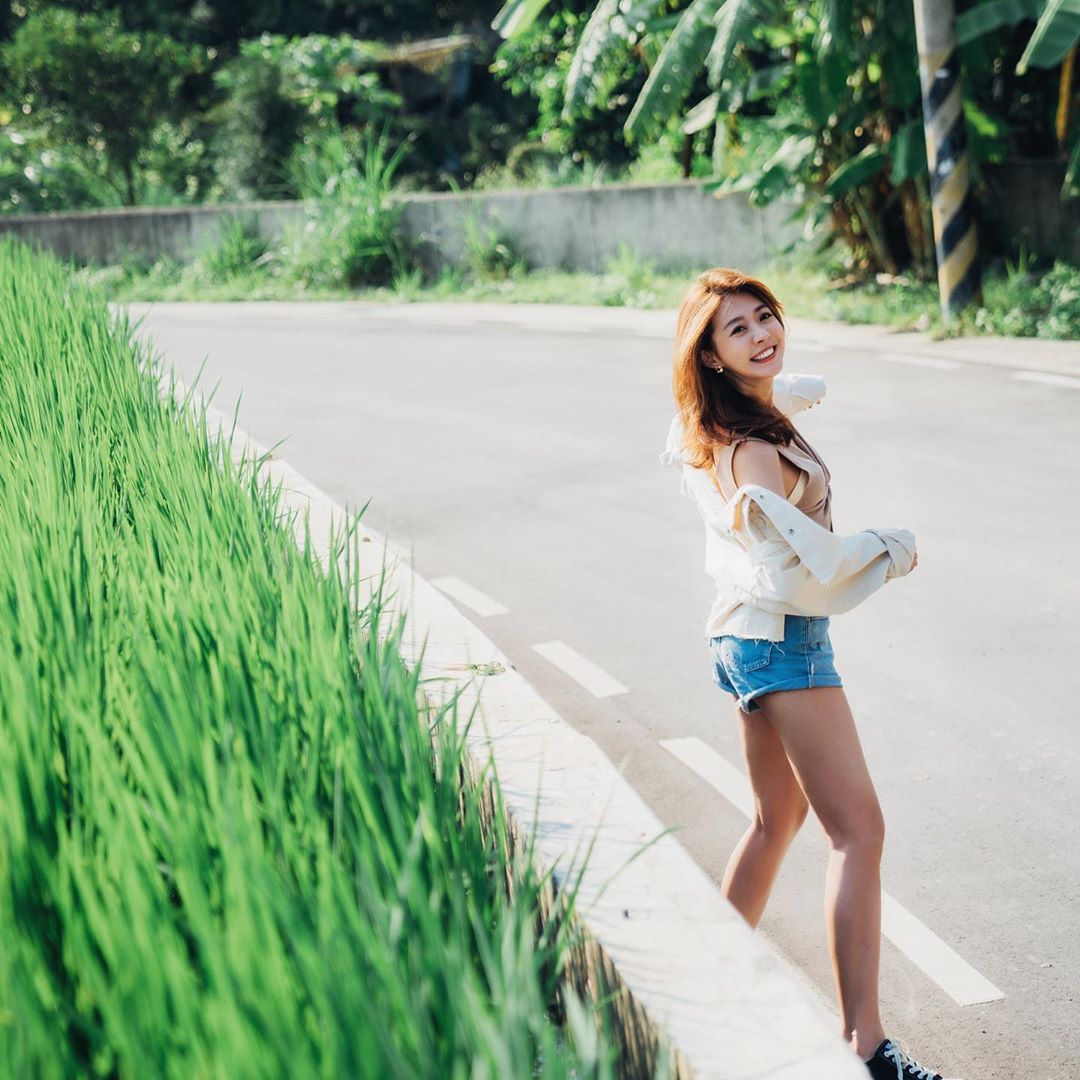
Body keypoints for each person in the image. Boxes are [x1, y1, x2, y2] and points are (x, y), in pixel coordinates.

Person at [664, 267, 945, 1080]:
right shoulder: (753, 450)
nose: (762, 335)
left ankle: (699, 993)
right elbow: (795, 570)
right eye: (738, 330)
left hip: (741, 640)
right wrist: (887, 551)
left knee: (774, 821)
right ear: (710, 356)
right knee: (859, 832)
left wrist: (786, 390)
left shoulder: (720, 423)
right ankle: (867, 1047)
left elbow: (755, 416)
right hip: (785, 642)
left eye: (765, 317)